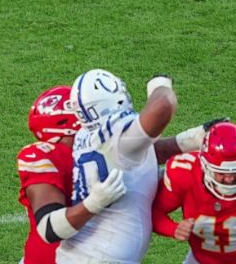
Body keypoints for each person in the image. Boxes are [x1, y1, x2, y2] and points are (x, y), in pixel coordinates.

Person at [56, 70, 177, 263]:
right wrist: (159, 84)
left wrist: (195, 140)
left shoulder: (85, 136)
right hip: (99, 256)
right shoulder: (116, 136)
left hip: (81, 253)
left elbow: (145, 153)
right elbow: (163, 106)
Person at [18, 86, 127, 264]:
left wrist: (186, 141)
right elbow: (49, 227)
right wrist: (93, 203)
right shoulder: (45, 156)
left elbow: (150, 150)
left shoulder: (103, 147)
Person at [152, 120, 236, 264]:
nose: (229, 180)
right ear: (205, 165)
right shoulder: (185, 174)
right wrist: (174, 229)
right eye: (220, 173)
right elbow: (154, 211)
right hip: (200, 260)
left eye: (234, 173)